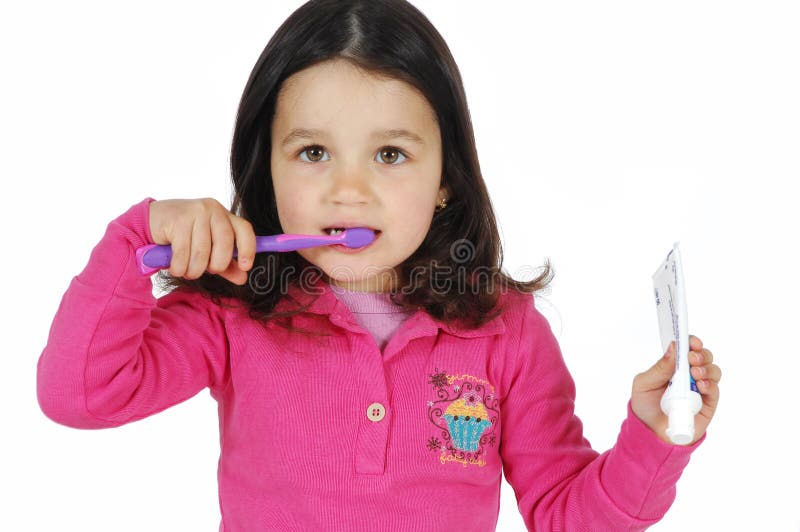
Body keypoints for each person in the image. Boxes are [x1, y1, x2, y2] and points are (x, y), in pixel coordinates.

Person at [36, 0, 722, 530]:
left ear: (447, 177)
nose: (348, 190)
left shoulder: (507, 332)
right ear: (266, 169)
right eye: (312, 154)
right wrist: (138, 236)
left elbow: (570, 513)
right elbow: (80, 396)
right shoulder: (232, 310)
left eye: (390, 155)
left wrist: (658, 434)